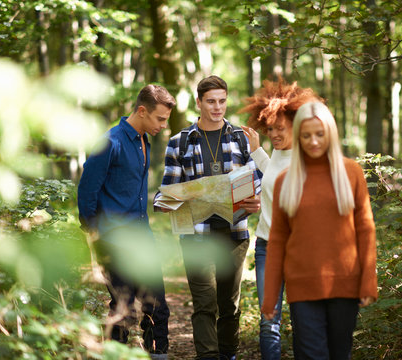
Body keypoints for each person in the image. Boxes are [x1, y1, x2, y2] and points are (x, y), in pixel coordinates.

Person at [154, 75, 262, 360]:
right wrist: (164, 202)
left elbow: (257, 179)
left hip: (234, 231)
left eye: (222, 101)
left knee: (229, 304)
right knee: (204, 303)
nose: (217, 107)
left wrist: (255, 199)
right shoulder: (179, 142)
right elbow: (170, 186)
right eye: (211, 101)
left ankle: (229, 354)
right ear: (199, 102)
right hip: (195, 234)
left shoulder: (241, 137)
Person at [261, 101, 378, 360]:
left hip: (345, 284)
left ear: (330, 134)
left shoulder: (351, 172)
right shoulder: (285, 181)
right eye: (306, 135)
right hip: (302, 287)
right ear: (298, 137)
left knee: (339, 354)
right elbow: (277, 241)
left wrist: (368, 281)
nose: (313, 141)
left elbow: (366, 229)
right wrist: (270, 297)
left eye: (320, 134)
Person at [77, 84, 176, 360]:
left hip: (142, 236)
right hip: (113, 239)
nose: (163, 125)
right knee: (124, 308)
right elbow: (87, 191)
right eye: (160, 118)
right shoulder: (110, 141)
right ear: (142, 110)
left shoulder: (145, 139)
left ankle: (158, 355)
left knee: (157, 305)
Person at [238, 78, 320, 359]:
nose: (274, 134)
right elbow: (272, 172)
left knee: (302, 322)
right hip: (266, 248)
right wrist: (256, 149)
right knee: (268, 322)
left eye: (280, 129)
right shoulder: (276, 154)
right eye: (270, 129)